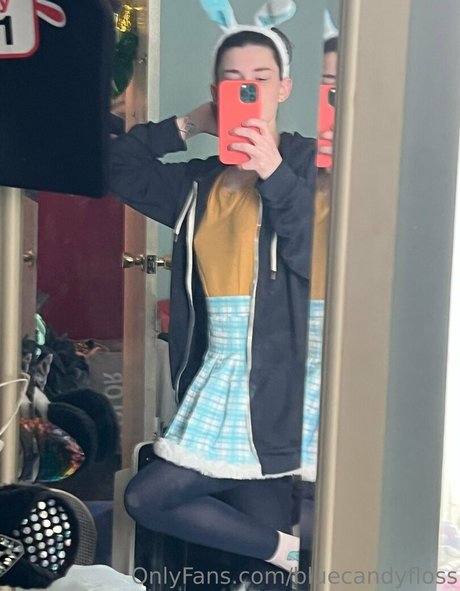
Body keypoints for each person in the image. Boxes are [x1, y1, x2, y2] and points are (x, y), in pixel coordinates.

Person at [109, 2, 316, 581]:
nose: (247, 90)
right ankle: (293, 559)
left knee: (149, 497)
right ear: (215, 92)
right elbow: (116, 165)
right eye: (232, 81)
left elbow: (322, 259)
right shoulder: (197, 185)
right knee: (267, 550)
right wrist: (190, 124)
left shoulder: (310, 165)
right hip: (218, 373)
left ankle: (295, 557)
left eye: (260, 79)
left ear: (283, 89)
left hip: (277, 383)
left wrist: (274, 172)